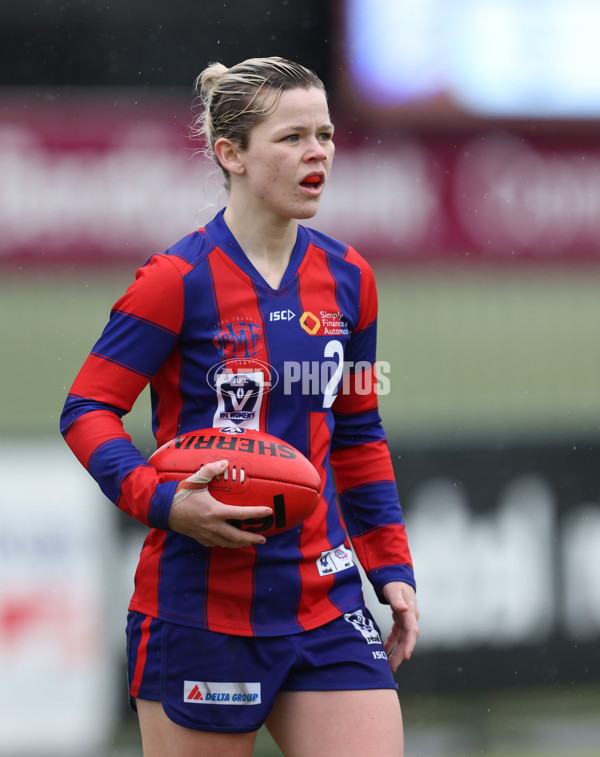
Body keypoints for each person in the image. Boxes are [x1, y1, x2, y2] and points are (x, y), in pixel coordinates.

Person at [61, 56, 419, 757]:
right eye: (291, 137)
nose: (317, 151)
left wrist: (391, 566)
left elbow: (358, 431)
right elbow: (87, 408)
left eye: (325, 133)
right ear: (232, 154)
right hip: (201, 609)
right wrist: (163, 502)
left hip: (327, 597)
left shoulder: (351, 278)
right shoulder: (176, 280)